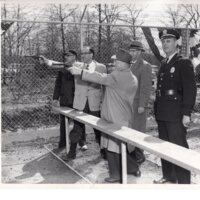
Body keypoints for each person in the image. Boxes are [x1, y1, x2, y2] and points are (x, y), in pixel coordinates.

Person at [69, 48, 140, 183]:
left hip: (114, 116)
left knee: (112, 146)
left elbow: (100, 78)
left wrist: (81, 72)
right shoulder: (132, 76)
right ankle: (132, 168)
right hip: (124, 116)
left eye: (116, 62)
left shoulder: (117, 76)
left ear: (122, 63)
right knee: (123, 144)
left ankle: (115, 175)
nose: (114, 64)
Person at [153, 29, 197, 184]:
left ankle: (184, 182)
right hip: (162, 112)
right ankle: (169, 176)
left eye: (169, 41)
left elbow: (190, 90)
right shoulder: (164, 63)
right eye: (163, 41)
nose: (165, 44)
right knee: (164, 146)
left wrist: (187, 113)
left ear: (177, 42)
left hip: (176, 113)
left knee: (178, 147)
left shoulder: (183, 62)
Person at [66, 46, 107, 161]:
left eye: (85, 53)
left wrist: (104, 102)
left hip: (94, 103)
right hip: (80, 103)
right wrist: (48, 62)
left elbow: (104, 85)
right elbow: (61, 64)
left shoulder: (101, 67)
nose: (82, 55)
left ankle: (103, 151)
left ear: (91, 54)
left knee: (98, 129)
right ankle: (72, 152)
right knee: (76, 129)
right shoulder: (77, 66)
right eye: (81, 53)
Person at [129, 41, 152, 165]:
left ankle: (139, 155)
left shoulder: (145, 66)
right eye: (130, 51)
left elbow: (145, 87)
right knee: (130, 129)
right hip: (129, 103)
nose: (131, 53)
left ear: (139, 52)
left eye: (133, 51)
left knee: (138, 130)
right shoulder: (129, 65)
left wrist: (142, 105)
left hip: (138, 104)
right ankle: (131, 153)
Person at [52, 50, 76, 149]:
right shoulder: (61, 71)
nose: (66, 57)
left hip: (77, 100)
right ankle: (63, 142)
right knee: (63, 122)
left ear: (74, 57)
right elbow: (58, 85)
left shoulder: (79, 69)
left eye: (68, 55)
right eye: (65, 56)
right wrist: (55, 98)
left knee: (79, 123)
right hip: (65, 100)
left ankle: (82, 142)